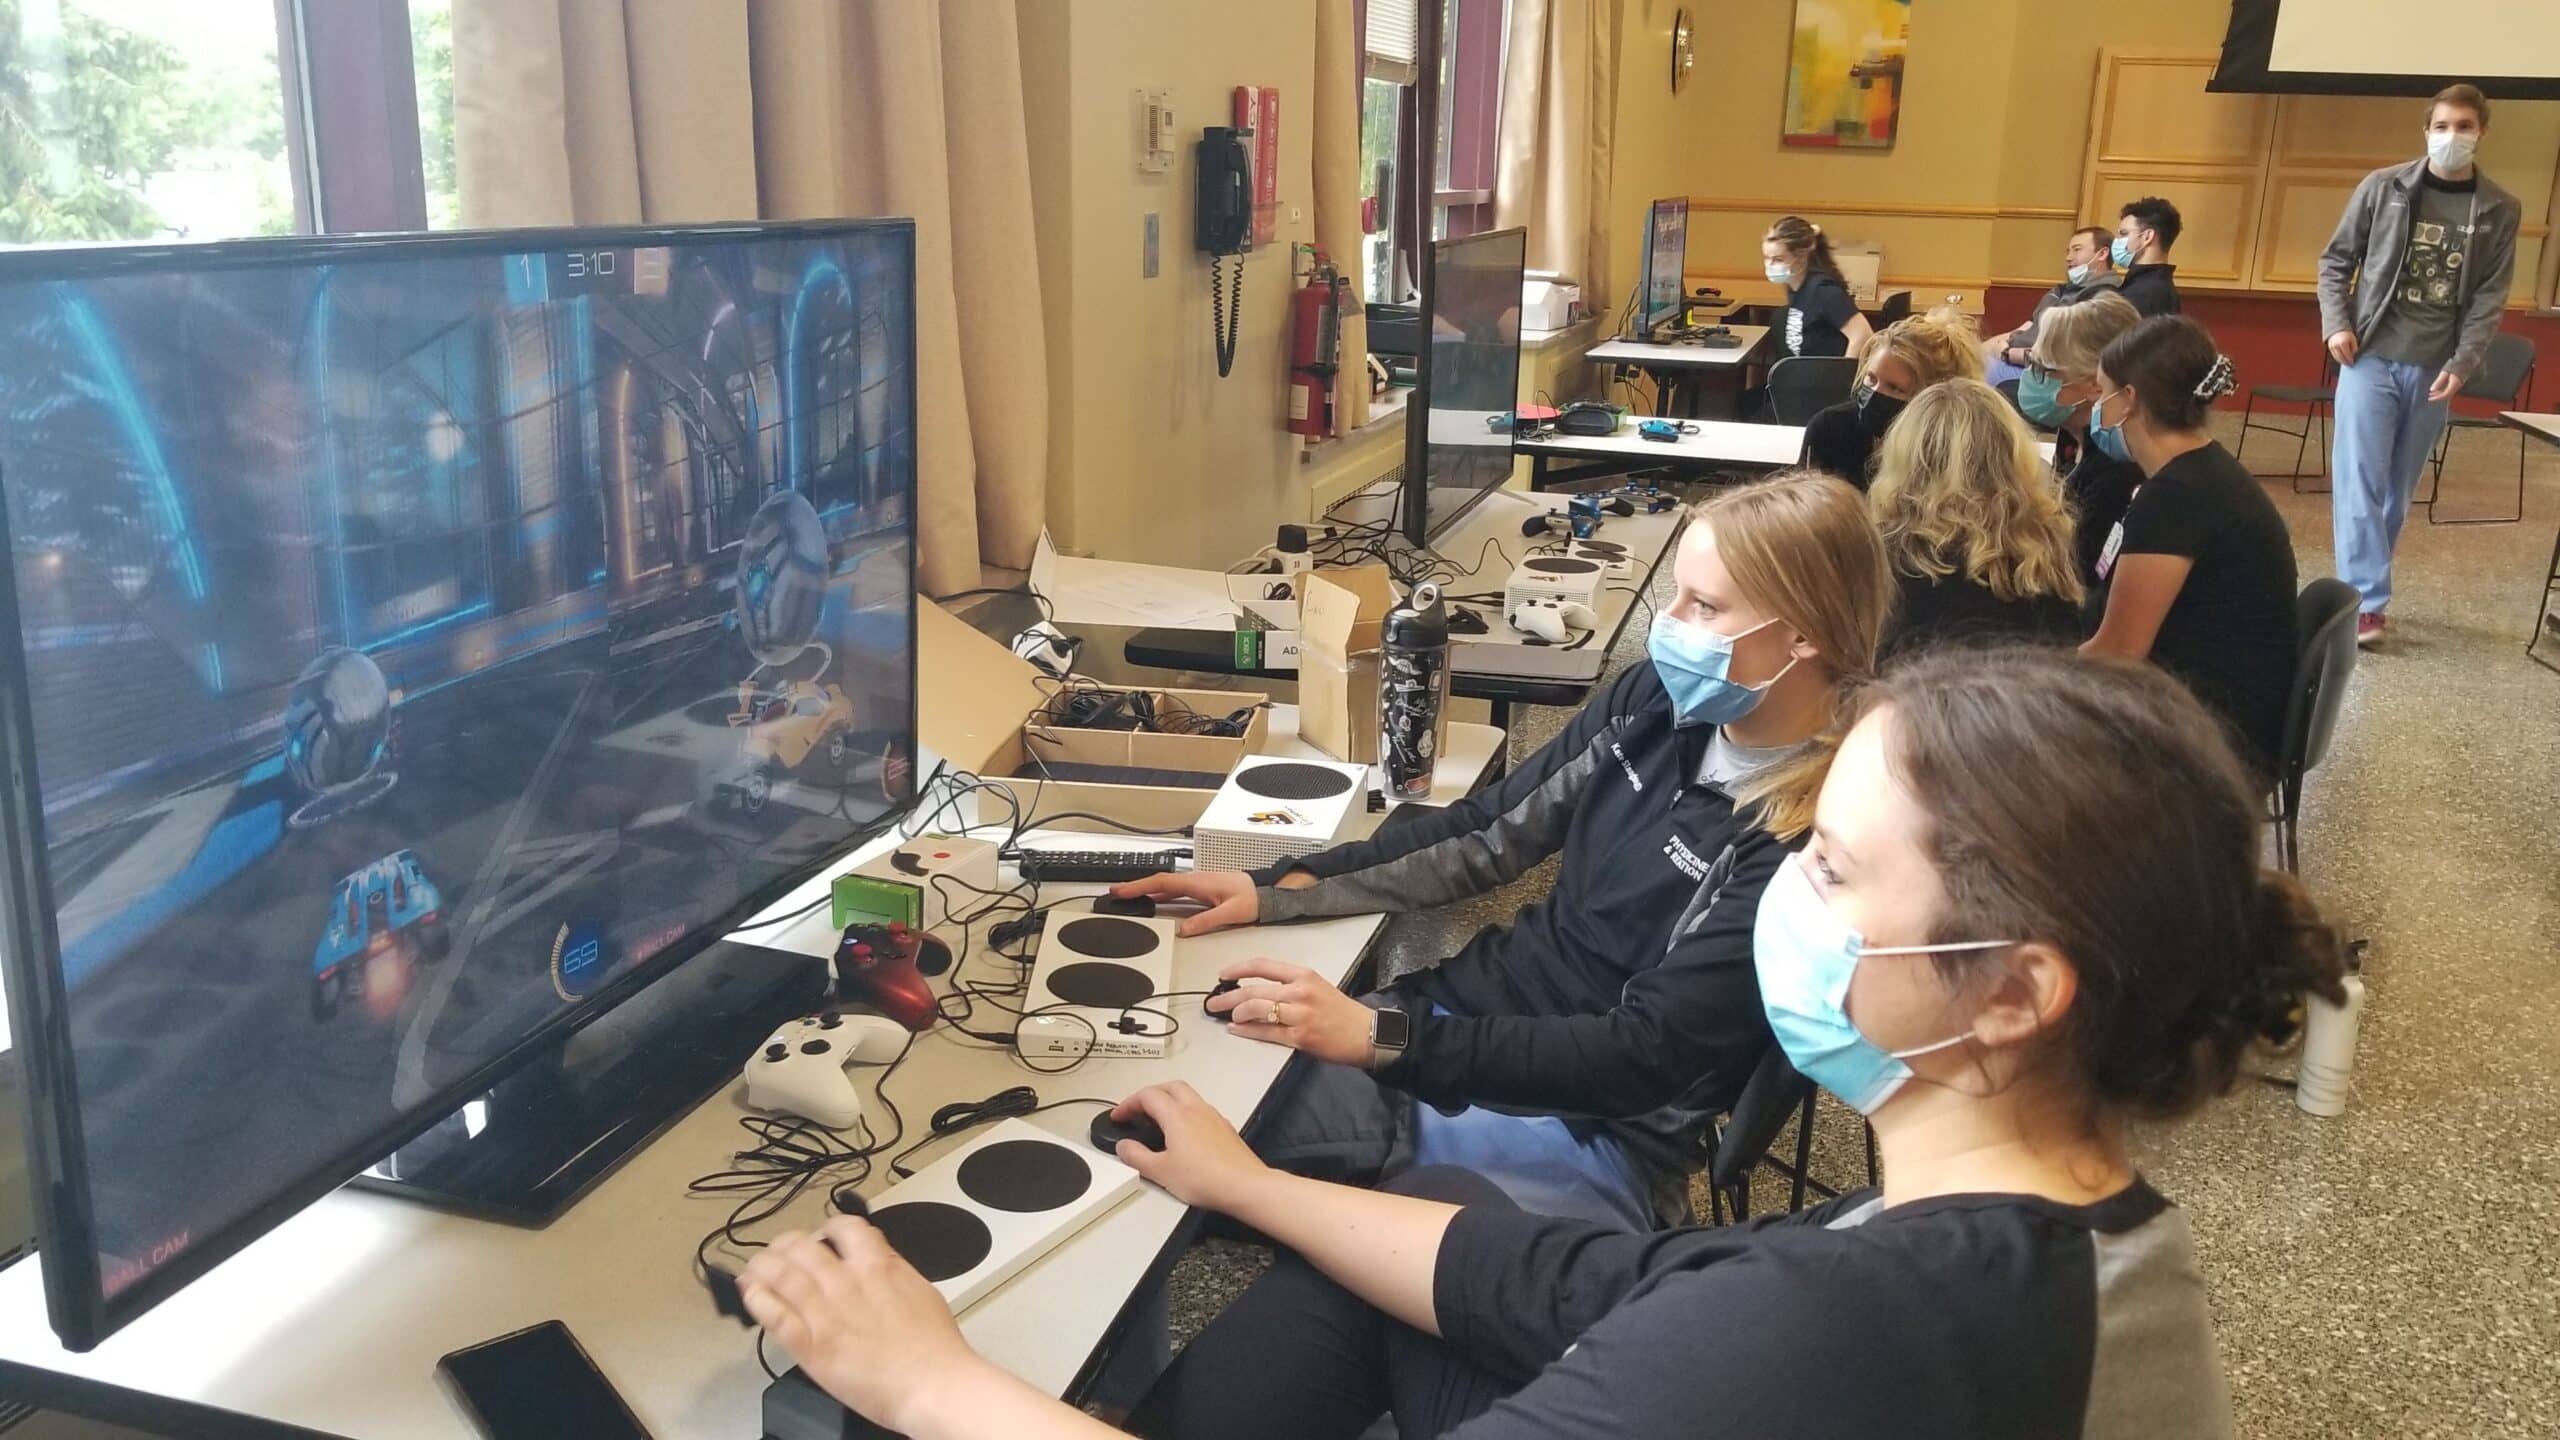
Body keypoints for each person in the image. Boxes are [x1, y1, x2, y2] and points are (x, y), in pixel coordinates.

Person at [737, 646, 2348, 1440]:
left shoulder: (1839, 1334)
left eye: (1835, 866)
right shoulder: (2053, 1234)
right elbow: (1585, 1280)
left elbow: (1720, 1325)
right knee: (1422, 1229)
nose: (1782, 884)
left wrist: (932, 1381)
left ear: (2010, 995)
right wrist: (1250, 1186)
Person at [1097, 474, 1892, 1233]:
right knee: (1161, 1098)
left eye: (1704, 606)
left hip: (1591, 1125)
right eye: (1676, 595)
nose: (1670, 624)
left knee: (1170, 1159)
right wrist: (1280, 888)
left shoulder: (1813, 842)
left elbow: (1642, 1054)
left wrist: (1384, 1040)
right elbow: (1490, 830)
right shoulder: (1655, 701)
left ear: (1803, 634)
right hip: (1462, 1022)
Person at [2318, 82, 2523, 649]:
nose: (2452, 136)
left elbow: (2489, 295)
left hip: (2436, 367)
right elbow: (2336, 261)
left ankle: (2363, 589)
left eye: (2464, 126)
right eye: (2442, 126)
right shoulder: (2383, 187)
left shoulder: (2500, 208)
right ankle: (2365, 603)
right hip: (2369, 356)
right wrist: (2336, 323)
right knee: (2359, 479)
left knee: (2397, 489)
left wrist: (2465, 361)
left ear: (2482, 132)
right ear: (2426, 130)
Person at [2081, 316, 2297, 778]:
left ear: (2129, 400)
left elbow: (2117, 654)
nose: (2098, 406)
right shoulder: (2200, 473)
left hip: (2213, 731)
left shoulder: (2176, 498)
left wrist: (2021, 676)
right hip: (2217, 705)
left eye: (2103, 392)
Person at [1869, 379, 2084, 660]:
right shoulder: (2046, 539)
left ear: (1904, 457)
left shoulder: (1884, 549)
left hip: (1919, 686)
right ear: (2011, 453)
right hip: (2033, 686)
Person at [2022, 291, 2146, 584]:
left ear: (2094, 385)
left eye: (2044, 369)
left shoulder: (2118, 470)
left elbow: (2077, 575)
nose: (2030, 377)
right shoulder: (2074, 436)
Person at [1800, 308, 1983, 488]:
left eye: (1895, 388)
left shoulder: (1955, 452)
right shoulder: (1829, 430)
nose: (1875, 393)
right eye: (1871, 379)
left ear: (1933, 397)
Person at [1983, 226, 2119, 385]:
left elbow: (2061, 356)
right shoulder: (2062, 290)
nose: (2068, 258)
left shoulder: (2102, 298)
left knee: (1973, 377)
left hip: (2038, 372)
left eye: (2077, 250)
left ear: (2102, 254)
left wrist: (2007, 353)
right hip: (2012, 356)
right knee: (1967, 361)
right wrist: (1985, 348)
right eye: (2068, 251)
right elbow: (2029, 325)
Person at [1763, 215, 1870, 360]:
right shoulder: (1795, 286)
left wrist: (1844, 371)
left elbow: (1863, 334)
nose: (1770, 265)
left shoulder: (1823, 290)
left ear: (1801, 257)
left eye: (1778, 259)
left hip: (1827, 373)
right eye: (1767, 258)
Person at [2110, 197, 2184, 317]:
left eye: (2124, 233)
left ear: (2147, 237)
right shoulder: (2157, 286)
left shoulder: (2143, 293)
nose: (2117, 240)